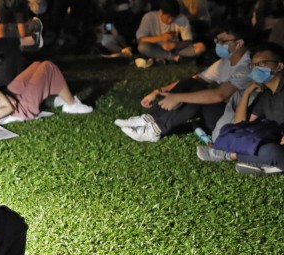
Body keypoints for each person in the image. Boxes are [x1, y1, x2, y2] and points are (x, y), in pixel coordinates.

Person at [116, 20, 251, 143]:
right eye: (217, 40)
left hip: (233, 121)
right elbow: (195, 79)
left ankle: (155, 130)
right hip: (220, 112)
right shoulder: (225, 62)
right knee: (192, 83)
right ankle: (150, 119)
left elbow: (219, 95)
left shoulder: (247, 66)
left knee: (198, 94)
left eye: (223, 41)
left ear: (239, 43)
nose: (218, 44)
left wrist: (178, 97)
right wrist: (158, 91)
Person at [196, 43, 284, 175]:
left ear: (279, 66)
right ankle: (264, 163)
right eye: (253, 65)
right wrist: (247, 93)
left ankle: (230, 155)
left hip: (278, 147)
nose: (256, 68)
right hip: (272, 140)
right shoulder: (267, 95)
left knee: (271, 151)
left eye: (263, 63)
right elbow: (240, 124)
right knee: (229, 130)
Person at [135, 0, 205, 63]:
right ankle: (171, 57)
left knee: (201, 47)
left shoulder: (182, 19)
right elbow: (140, 39)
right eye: (168, 17)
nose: (170, 20)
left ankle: (162, 57)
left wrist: (174, 45)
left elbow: (188, 41)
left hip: (175, 49)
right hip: (156, 47)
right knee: (142, 47)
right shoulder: (149, 17)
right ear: (161, 12)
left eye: (173, 17)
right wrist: (161, 38)